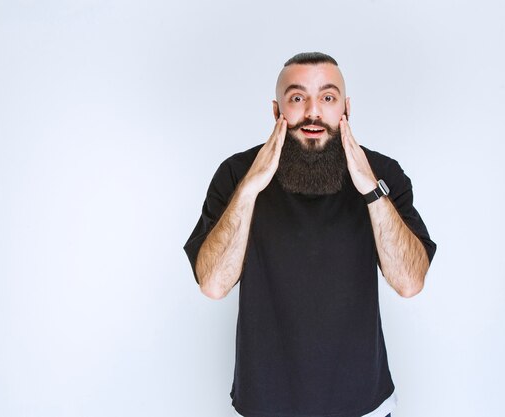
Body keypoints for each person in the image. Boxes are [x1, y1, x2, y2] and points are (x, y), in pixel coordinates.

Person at [184, 52, 436, 417]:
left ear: (346, 108)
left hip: (364, 405)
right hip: (265, 406)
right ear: (277, 111)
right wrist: (250, 189)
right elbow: (213, 284)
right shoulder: (237, 174)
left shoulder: (382, 173)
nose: (313, 112)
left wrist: (370, 190)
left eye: (328, 98)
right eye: (298, 98)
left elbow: (410, 282)